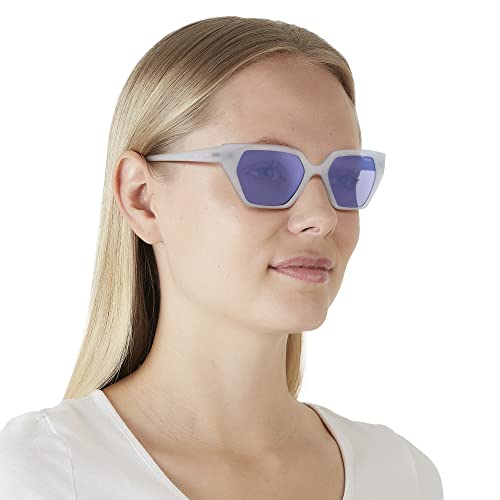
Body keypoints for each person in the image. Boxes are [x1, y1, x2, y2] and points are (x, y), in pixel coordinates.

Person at [0, 16, 443, 499]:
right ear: (142, 198)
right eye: (267, 172)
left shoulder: (403, 477)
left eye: (346, 177)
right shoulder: (40, 474)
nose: (322, 216)